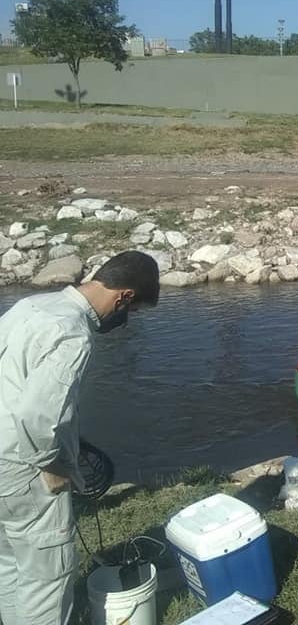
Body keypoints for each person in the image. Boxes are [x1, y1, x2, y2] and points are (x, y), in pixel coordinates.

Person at [0, 251, 160, 625]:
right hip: (21, 469)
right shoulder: (74, 333)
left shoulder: (30, 306)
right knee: (46, 578)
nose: (125, 320)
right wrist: (54, 465)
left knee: (9, 563)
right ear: (124, 297)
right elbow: (38, 416)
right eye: (131, 312)